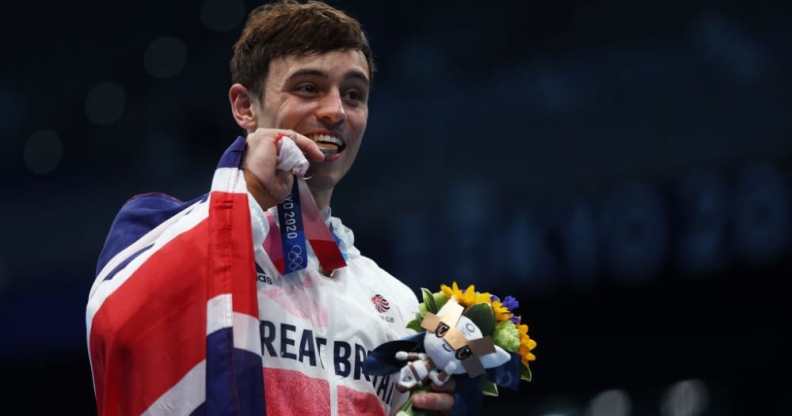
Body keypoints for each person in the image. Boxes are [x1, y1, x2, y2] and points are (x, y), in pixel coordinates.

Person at [87, 1, 455, 415]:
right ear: (245, 107)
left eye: (354, 94)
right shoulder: (155, 232)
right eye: (308, 88)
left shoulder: (395, 301)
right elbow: (116, 328)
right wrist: (251, 192)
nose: (336, 111)